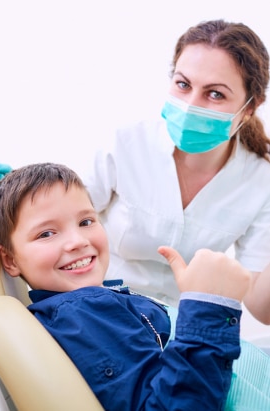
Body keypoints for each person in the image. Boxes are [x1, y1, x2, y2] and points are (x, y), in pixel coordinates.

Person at [0, 162, 251, 411]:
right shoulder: (84, 313)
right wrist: (209, 307)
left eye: (86, 222)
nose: (77, 241)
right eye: (46, 233)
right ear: (10, 260)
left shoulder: (88, 304)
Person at [81, 19, 270, 323]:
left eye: (215, 94)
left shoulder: (260, 180)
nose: (191, 105)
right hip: (100, 313)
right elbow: (58, 224)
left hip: (180, 331)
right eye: (183, 85)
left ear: (249, 108)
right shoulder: (126, 144)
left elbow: (262, 310)